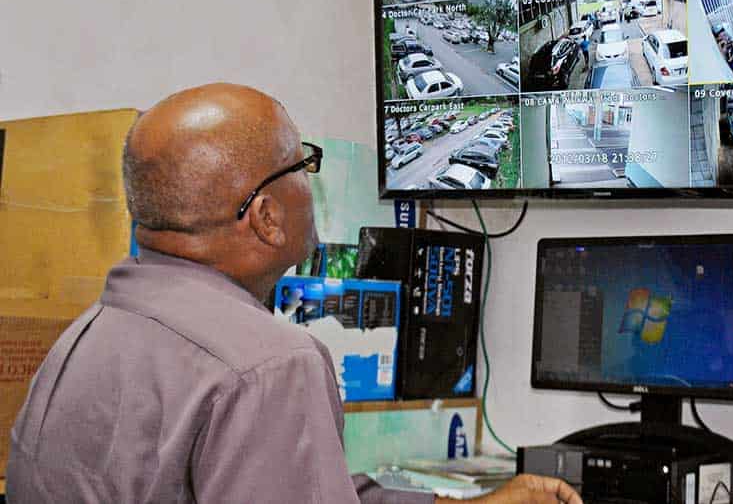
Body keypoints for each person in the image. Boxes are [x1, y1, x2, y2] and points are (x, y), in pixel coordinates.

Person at [6, 83, 581, 504]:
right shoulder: (268, 365)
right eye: (303, 165)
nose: (311, 184)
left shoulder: (92, 332)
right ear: (266, 217)